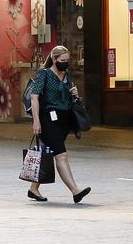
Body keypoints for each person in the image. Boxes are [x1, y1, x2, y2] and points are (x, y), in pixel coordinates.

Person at [26, 45, 91, 204]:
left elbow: (67, 97)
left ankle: (33, 189)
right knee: (60, 155)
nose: (65, 63)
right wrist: (36, 121)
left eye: (67, 60)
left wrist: (74, 94)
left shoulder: (66, 75)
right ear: (54, 59)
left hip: (63, 120)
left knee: (47, 154)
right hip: (47, 120)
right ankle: (75, 191)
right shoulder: (44, 74)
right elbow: (34, 97)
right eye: (62, 60)